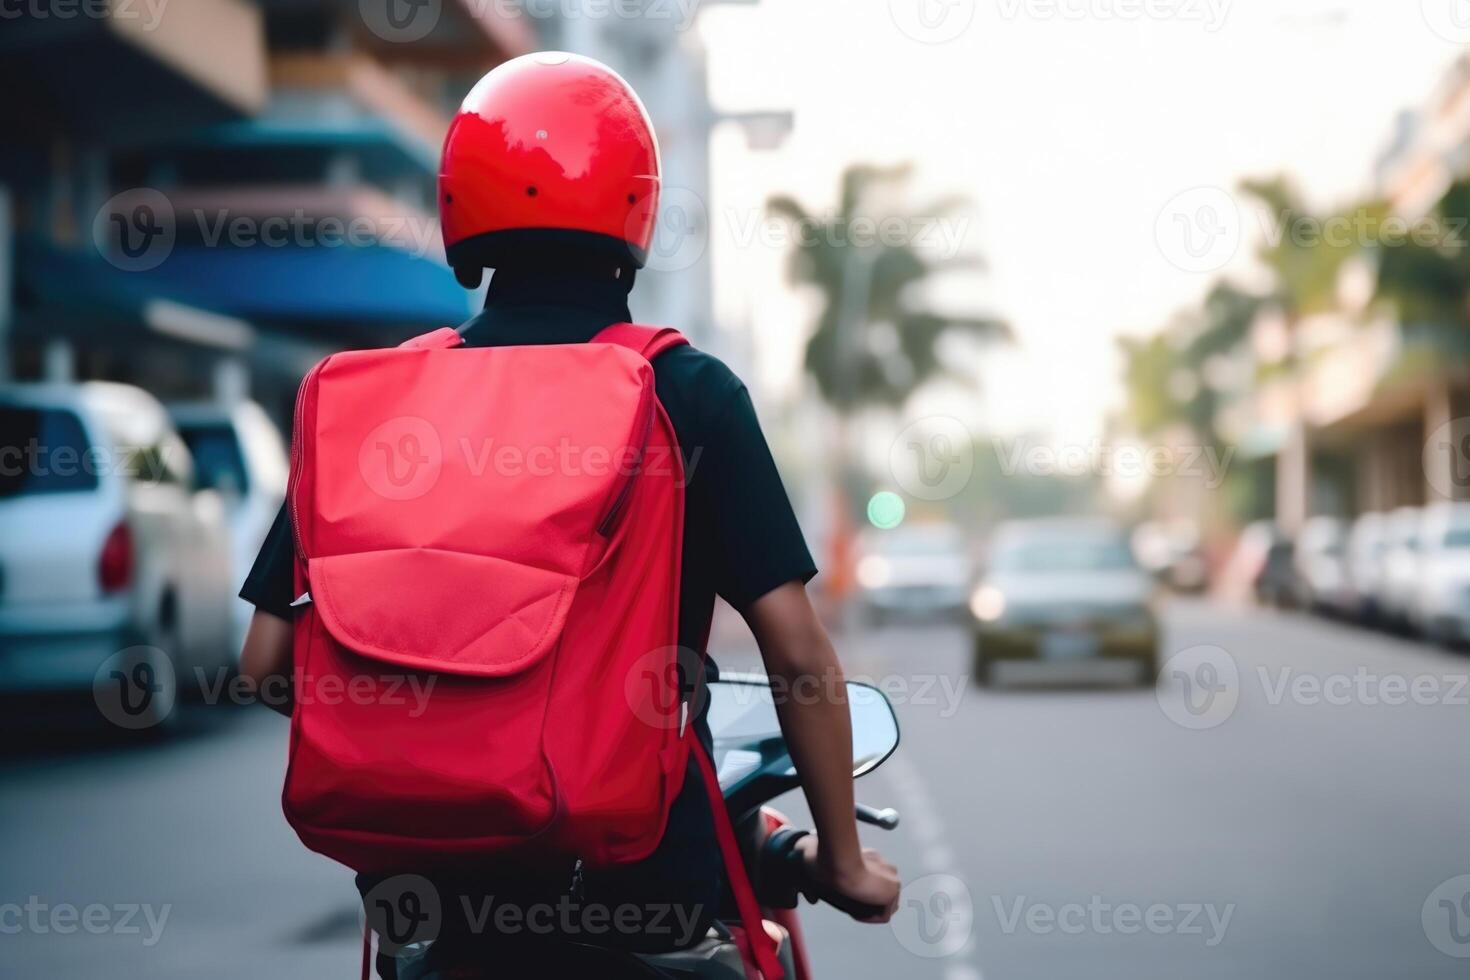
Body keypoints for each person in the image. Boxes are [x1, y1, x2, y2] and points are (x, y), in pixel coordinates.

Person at [237, 51, 900, 973]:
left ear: (461, 209)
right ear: (636, 207)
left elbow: (268, 663)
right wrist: (846, 858)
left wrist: (429, 752)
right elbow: (794, 651)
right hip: (640, 893)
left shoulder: (375, 405)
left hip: (435, 904)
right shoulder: (687, 392)